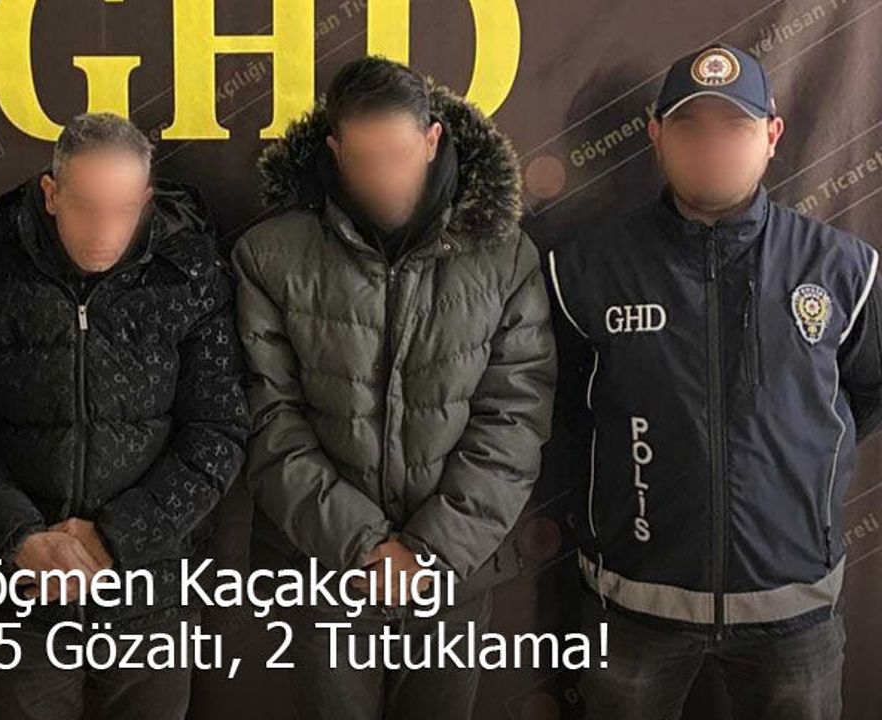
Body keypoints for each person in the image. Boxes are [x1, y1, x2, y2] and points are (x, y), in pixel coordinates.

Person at [547, 43, 882, 720]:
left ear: (772, 134)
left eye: (735, 126)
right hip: (633, 605)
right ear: (655, 134)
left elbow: (865, 397)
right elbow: (568, 408)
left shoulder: (843, 269)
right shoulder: (583, 268)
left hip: (793, 611)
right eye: (689, 127)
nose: (712, 145)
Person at [232, 57, 557, 720]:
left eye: (400, 156)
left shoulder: (506, 256)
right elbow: (268, 417)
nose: (384, 177)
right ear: (335, 149)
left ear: (432, 140)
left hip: (453, 574)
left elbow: (515, 419)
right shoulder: (268, 255)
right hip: (324, 571)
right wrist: (363, 546)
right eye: (365, 159)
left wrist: (429, 551)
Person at [0, 112, 248, 720]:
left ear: (146, 201)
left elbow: (218, 432)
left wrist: (113, 540)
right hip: (24, 592)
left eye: (123, 209)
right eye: (86, 207)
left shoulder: (191, 281)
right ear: (51, 194)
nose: (105, 230)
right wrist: (21, 538)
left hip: (151, 592)